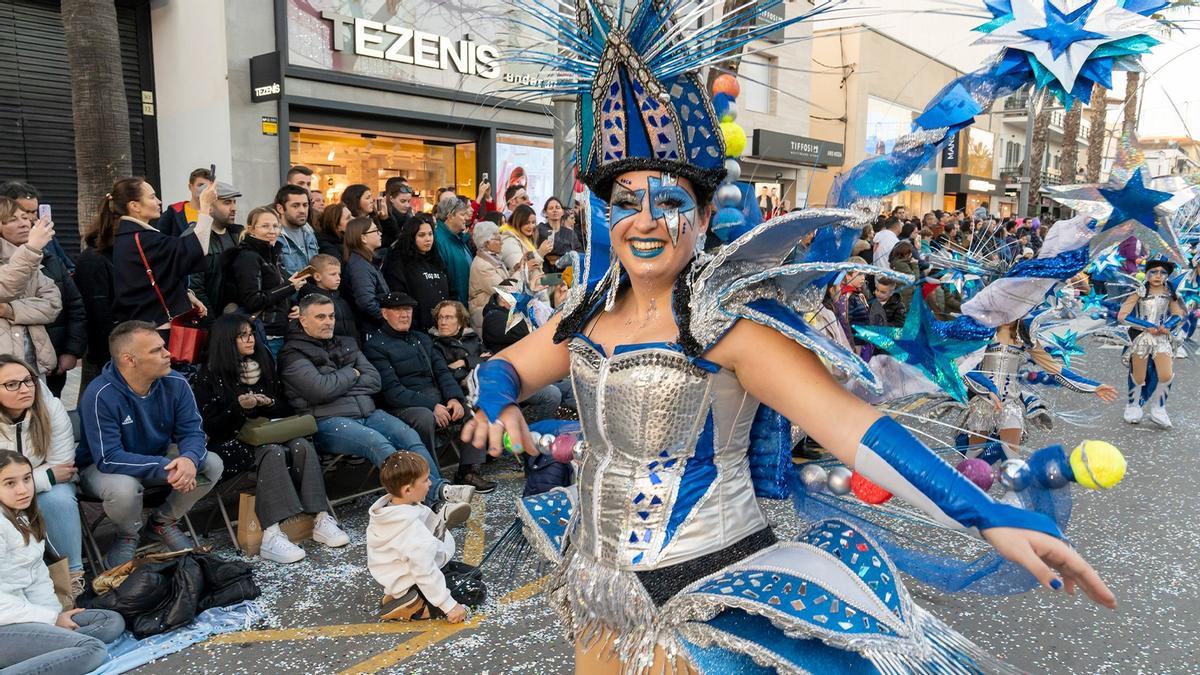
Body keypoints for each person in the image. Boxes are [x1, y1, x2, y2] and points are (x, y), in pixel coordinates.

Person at [461, 9, 1114, 670]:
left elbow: (850, 426)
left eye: (671, 201)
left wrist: (985, 514)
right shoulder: (587, 312)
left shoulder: (728, 325)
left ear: (707, 214)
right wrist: (496, 402)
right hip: (599, 589)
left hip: (700, 603)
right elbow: (505, 367)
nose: (647, 220)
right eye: (627, 201)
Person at [276, 294, 474, 521]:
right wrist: (352, 373)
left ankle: (439, 489)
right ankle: (432, 503)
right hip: (327, 421)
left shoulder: (346, 342)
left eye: (331, 315)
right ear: (303, 320)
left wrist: (338, 382)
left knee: (408, 435)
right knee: (378, 443)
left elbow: (373, 380)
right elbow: (320, 389)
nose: (328, 321)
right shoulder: (292, 353)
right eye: (320, 317)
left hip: (367, 412)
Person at [192, 314, 349, 564]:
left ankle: (320, 517)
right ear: (225, 341)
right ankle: (271, 534)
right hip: (231, 442)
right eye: (242, 335)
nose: (250, 339)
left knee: (301, 444)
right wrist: (238, 406)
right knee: (273, 450)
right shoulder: (208, 374)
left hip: (267, 430)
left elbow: (284, 407)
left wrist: (269, 402)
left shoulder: (262, 358)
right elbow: (211, 425)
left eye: (251, 333)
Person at [77, 321, 224, 569]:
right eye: (156, 350)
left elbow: (193, 432)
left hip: (156, 456)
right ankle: (128, 535)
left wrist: (188, 459)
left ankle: (162, 522)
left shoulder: (175, 382)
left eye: (163, 347)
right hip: (102, 468)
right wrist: (168, 466)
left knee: (211, 463)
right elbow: (109, 457)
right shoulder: (100, 393)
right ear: (129, 359)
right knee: (125, 488)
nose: (169, 354)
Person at [0, 451, 126, 675]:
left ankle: (40, 653)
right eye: (10, 483)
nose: (23, 489)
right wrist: (50, 619)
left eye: (27, 479)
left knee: (109, 621)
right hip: (5, 622)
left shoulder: (22, 516)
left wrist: (55, 617)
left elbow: (37, 576)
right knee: (92, 649)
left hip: (24, 617)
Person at [364, 293, 493, 493]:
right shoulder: (375, 346)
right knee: (424, 418)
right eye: (398, 310)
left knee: (472, 407)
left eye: (407, 310)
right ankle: (433, 481)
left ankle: (468, 472)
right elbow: (392, 392)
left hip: (437, 398)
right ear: (384, 313)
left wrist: (454, 398)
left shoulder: (421, 338)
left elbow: (442, 372)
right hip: (402, 405)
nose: (404, 315)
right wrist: (432, 406)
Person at [964, 320, 1117, 458]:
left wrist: (1093, 387)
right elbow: (962, 366)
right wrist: (987, 389)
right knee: (974, 453)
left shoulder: (1025, 337)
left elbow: (1056, 369)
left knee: (1012, 456)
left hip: (1010, 403)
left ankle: (1013, 488)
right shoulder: (982, 332)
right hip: (982, 402)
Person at [368, 451, 484, 623]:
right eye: (425, 480)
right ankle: (417, 607)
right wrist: (449, 605)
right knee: (476, 591)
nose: (430, 483)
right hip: (415, 578)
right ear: (408, 490)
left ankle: (399, 595)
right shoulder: (410, 532)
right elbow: (424, 572)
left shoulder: (397, 507)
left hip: (413, 571)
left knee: (475, 574)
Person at [0, 356, 83, 595]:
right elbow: (53, 471)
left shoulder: (49, 407)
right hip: (11, 493)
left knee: (57, 499)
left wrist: (21, 483)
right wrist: (43, 477)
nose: (25, 389)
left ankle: (72, 580)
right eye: (12, 384)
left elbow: (63, 465)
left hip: (47, 489)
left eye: (28, 380)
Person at [106, 177, 211, 327]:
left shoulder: (128, 236)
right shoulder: (143, 239)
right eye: (152, 197)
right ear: (134, 206)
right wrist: (205, 207)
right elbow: (195, 249)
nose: (159, 201)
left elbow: (158, 276)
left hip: (145, 326)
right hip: (160, 328)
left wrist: (185, 295)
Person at [226, 206, 307, 355]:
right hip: (265, 334)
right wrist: (289, 287)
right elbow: (252, 300)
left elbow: (275, 293)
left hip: (277, 331)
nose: (272, 231)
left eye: (275, 226)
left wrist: (294, 307)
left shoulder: (271, 254)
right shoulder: (249, 258)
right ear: (251, 229)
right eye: (265, 226)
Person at [0, 198, 64, 378]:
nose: (24, 223)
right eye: (12, 220)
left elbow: (52, 305)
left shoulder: (31, 258)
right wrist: (31, 248)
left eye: (25, 217)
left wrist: (9, 310)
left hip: (35, 364)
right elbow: (5, 287)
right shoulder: (30, 254)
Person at [1118, 259, 1186, 427]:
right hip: (1142, 338)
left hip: (1162, 339)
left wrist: (1168, 325)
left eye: (1163, 272)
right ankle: (1133, 405)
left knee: (1166, 375)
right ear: (1146, 273)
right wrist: (1147, 326)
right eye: (1153, 272)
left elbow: (1178, 314)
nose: (1158, 276)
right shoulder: (1138, 291)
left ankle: (1159, 409)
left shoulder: (1171, 293)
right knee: (1139, 376)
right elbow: (1123, 315)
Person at [187, 181, 243, 322]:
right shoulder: (193, 238)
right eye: (227, 203)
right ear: (209, 206)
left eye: (234, 202)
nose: (234, 208)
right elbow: (195, 288)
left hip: (241, 318)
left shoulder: (240, 234)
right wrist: (213, 324)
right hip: (215, 321)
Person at [384, 216, 450, 333]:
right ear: (411, 237)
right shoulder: (400, 262)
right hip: (417, 329)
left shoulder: (436, 260)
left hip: (442, 327)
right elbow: (400, 296)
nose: (428, 239)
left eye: (430, 234)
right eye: (421, 235)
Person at [0, 181, 74, 273]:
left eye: (34, 212)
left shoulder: (46, 238)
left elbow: (69, 268)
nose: (29, 219)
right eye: (25, 213)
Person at [468, 220, 524, 333]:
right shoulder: (482, 265)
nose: (502, 242)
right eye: (498, 239)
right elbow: (506, 290)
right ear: (486, 243)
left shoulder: (492, 259)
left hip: (493, 315)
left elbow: (504, 279)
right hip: (485, 318)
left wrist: (516, 268)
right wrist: (522, 270)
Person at [341, 217, 389, 335]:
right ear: (363, 238)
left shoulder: (365, 262)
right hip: (370, 328)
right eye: (375, 230)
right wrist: (388, 320)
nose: (380, 233)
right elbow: (366, 303)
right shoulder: (359, 266)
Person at [429, 300, 489, 388]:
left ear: (460, 322)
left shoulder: (472, 337)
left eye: (448, 317)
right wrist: (478, 361)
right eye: (440, 317)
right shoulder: (436, 345)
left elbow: (491, 358)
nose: (443, 323)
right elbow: (444, 375)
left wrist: (463, 362)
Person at [299, 254, 358, 342]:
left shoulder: (342, 301)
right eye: (333, 274)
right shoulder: (310, 302)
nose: (338, 278)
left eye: (339, 274)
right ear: (317, 277)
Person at [431, 193, 474, 305]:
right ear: (450, 216)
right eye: (462, 214)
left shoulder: (459, 239)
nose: (466, 218)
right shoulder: (438, 241)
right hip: (454, 306)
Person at [274, 185, 319, 278]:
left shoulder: (309, 232)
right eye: (295, 206)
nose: (302, 210)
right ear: (280, 208)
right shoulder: (274, 236)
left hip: (313, 290)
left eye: (305, 205)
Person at [156, 167, 213, 237]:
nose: (204, 190)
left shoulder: (217, 212)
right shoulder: (174, 212)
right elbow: (160, 239)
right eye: (200, 185)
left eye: (208, 187)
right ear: (190, 187)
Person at [536, 197, 583, 272]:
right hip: (543, 273)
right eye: (551, 208)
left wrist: (560, 258)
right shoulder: (540, 229)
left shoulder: (570, 233)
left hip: (565, 275)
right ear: (545, 212)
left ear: (562, 212)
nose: (554, 210)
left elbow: (579, 253)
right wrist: (566, 253)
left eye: (557, 207)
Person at [499, 204, 550, 271]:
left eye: (533, 222)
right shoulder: (509, 240)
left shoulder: (525, 238)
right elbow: (520, 268)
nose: (531, 226)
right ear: (518, 222)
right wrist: (540, 253)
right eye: (527, 223)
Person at [378, 180, 415, 249]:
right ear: (391, 199)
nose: (407, 205)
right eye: (403, 201)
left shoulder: (408, 217)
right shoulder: (381, 216)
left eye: (408, 201)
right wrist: (386, 219)